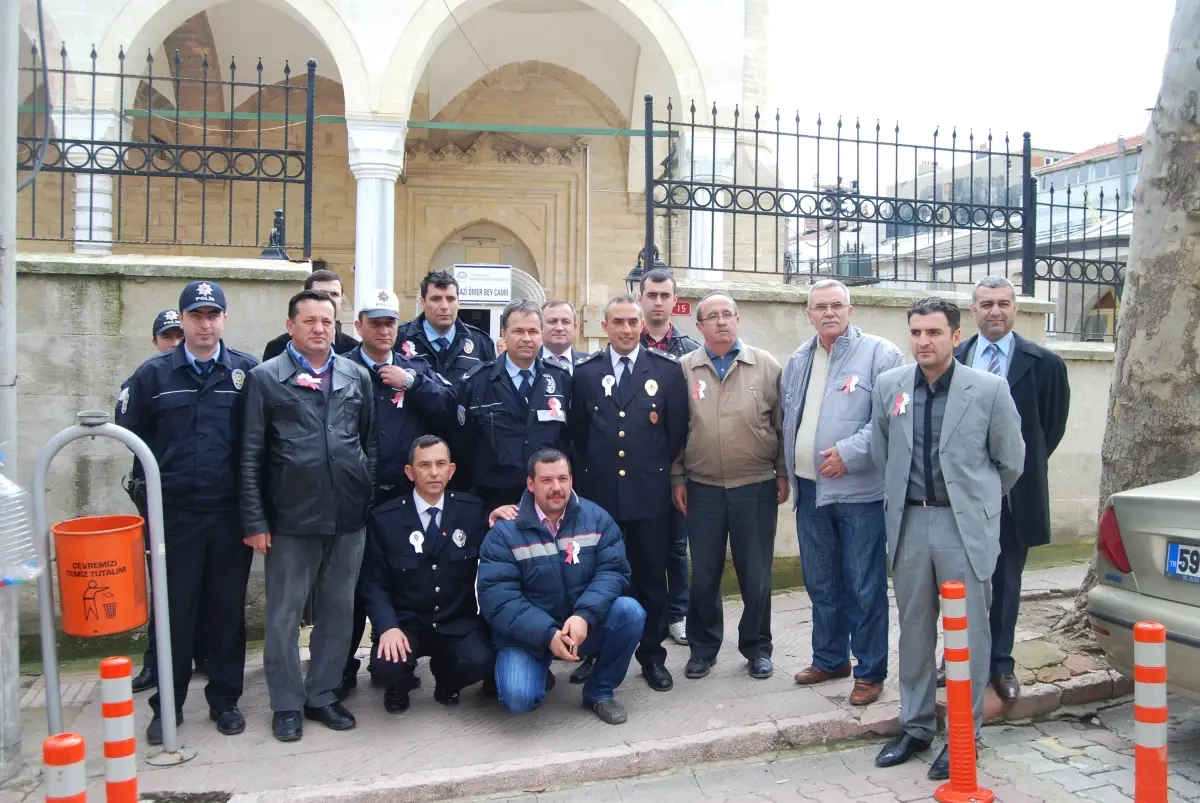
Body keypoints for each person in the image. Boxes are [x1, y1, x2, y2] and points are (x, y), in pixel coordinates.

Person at [870, 296, 1024, 781]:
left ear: (956, 337)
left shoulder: (989, 389)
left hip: (962, 527)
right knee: (914, 628)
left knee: (969, 635)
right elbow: (882, 449)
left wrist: (975, 502)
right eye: (915, 332)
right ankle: (915, 725)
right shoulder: (889, 386)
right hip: (911, 524)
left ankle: (964, 734)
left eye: (933, 332)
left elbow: (1010, 462)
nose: (923, 341)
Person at [115, 282, 258, 745]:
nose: (205, 322)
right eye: (196, 315)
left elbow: (258, 445)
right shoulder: (152, 377)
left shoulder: (244, 373)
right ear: (183, 319)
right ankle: (168, 707)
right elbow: (131, 443)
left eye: (213, 313)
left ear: (223, 319)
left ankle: (225, 700)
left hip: (228, 515)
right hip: (175, 518)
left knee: (225, 612)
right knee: (175, 613)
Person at [240, 288, 377, 743]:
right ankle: (285, 702)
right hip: (290, 519)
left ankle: (322, 693)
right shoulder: (266, 378)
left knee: (339, 611)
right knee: (283, 614)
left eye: (327, 321)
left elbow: (368, 444)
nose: (320, 329)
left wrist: (363, 493)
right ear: (290, 326)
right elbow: (250, 455)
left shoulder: (356, 376)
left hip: (347, 517)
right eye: (310, 321)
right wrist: (256, 520)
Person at [782, 280, 903, 706]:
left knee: (865, 586)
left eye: (837, 305)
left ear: (851, 310)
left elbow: (891, 421)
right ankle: (830, 657)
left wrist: (851, 453)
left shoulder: (881, 354)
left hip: (859, 494)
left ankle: (870, 671)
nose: (829, 313)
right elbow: (789, 421)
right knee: (821, 582)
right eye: (820, 307)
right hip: (810, 491)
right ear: (808, 313)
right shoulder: (798, 360)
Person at [951, 276, 1069, 703]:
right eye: (986, 304)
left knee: (1004, 582)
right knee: (958, 581)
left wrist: (1010, 470)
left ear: (1015, 309)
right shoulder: (955, 358)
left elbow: (1049, 430)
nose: (995, 311)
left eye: (1003, 303)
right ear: (973, 310)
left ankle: (1000, 664)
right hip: (959, 493)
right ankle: (961, 660)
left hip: (1012, 497)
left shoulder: (1044, 363)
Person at [340, 289, 458, 694]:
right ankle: (341, 668)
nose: (384, 329)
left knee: (408, 575)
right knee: (354, 584)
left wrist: (411, 383)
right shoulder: (341, 370)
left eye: (390, 322)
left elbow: (450, 409)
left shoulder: (414, 368)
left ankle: (394, 657)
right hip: (357, 496)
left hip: (404, 497)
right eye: (375, 322)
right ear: (359, 327)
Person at [569, 295, 688, 691]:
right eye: (617, 321)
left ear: (642, 325)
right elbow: (578, 438)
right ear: (604, 327)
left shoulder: (666, 371)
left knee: (652, 579)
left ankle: (652, 657)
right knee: (600, 579)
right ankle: (597, 652)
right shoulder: (585, 373)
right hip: (599, 500)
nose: (625, 329)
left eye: (632, 322)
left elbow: (675, 435)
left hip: (648, 497)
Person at [477, 448, 646, 725]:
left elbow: (613, 571)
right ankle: (539, 669)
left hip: (580, 625)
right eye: (546, 480)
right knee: (519, 699)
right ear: (530, 484)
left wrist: (584, 616)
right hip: (528, 635)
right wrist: (547, 634)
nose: (556, 488)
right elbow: (498, 599)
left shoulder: (597, 518)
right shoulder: (505, 533)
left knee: (630, 612)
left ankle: (599, 691)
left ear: (571, 480)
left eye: (563, 479)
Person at [671, 293, 787, 682]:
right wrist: (677, 478)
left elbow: (781, 424)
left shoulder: (765, 365)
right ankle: (703, 649)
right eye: (712, 317)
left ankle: (757, 647)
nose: (721, 322)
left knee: (756, 574)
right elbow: (675, 431)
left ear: (738, 320)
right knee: (703, 574)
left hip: (754, 486)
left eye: (727, 315)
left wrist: (782, 472)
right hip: (701, 487)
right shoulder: (684, 369)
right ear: (699, 326)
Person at [358, 435, 494, 712]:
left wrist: (501, 515)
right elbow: (373, 582)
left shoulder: (472, 511)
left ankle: (447, 680)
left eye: (440, 464)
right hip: (407, 621)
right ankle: (400, 684)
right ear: (410, 472)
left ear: (451, 470)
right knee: (385, 667)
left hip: (455, 619)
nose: (434, 472)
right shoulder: (386, 518)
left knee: (482, 660)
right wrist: (387, 627)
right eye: (425, 465)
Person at [122, 308, 192, 695]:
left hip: (207, 503)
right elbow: (131, 432)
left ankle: (207, 660)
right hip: (163, 501)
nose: (176, 343)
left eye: (181, 335)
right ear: (156, 341)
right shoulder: (148, 378)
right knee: (165, 587)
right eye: (169, 336)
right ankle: (157, 662)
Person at [454, 300, 572, 512]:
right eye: (518, 331)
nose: (527, 339)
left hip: (547, 497)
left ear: (542, 334)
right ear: (504, 334)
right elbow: (462, 446)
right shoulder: (477, 382)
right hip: (494, 498)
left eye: (533, 331)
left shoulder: (560, 378)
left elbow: (570, 438)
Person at [638, 267, 701, 647]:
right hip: (638, 465)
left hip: (677, 464)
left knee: (677, 545)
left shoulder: (690, 351)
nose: (658, 302)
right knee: (638, 545)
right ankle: (641, 612)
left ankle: (678, 613)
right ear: (641, 298)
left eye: (665, 295)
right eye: (652, 295)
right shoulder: (627, 342)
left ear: (673, 300)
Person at [396, 270, 496, 382]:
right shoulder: (399, 338)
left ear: (459, 302)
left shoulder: (480, 342)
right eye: (436, 299)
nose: (444, 306)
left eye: (450, 299)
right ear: (423, 302)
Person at [262, 269, 359, 360]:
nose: (328, 299)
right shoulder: (277, 347)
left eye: (334, 294)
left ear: (341, 300)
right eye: (321, 293)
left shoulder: (354, 349)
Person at [540, 300, 590, 374]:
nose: (559, 328)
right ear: (540, 326)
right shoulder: (528, 362)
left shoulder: (589, 364)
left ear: (575, 327)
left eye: (565, 322)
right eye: (552, 321)